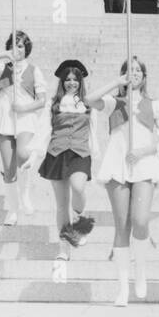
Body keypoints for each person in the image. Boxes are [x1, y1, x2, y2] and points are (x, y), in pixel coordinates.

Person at [95, 56, 159, 306]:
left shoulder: (153, 104)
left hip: (143, 163)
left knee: (140, 221)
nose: (134, 73)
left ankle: (140, 269)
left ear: (144, 76)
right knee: (122, 226)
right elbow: (89, 100)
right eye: (129, 70)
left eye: (138, 70)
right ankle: (122, 288)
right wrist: (115, 83)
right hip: (117, 164)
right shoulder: (114, 102)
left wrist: (145, 151)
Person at [40, 59, 102, 260]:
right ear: (62, 82)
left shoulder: (88, 103)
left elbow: (93, 130)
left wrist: (96, 153)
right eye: (68, 79)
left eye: (75, 79)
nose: (71, 83)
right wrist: (33, 154)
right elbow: (44, 129)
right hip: (56, 153)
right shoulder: (54, 103)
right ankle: (63, 249)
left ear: (81, 82)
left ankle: (80, 218)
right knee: (61, 205)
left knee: (78, 187)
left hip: (80, 153)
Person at [0, 29, 48, 226]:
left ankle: (25, 194)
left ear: (27, 49)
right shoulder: (3, 67)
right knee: (9, 169)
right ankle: (12, 210)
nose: (17, 49)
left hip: (25, 116)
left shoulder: (34, 70)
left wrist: (24, 107)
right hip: (5, 116)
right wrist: (3, 55)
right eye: (13, 45)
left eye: (21, 45)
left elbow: (42, 101)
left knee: (23, 154)